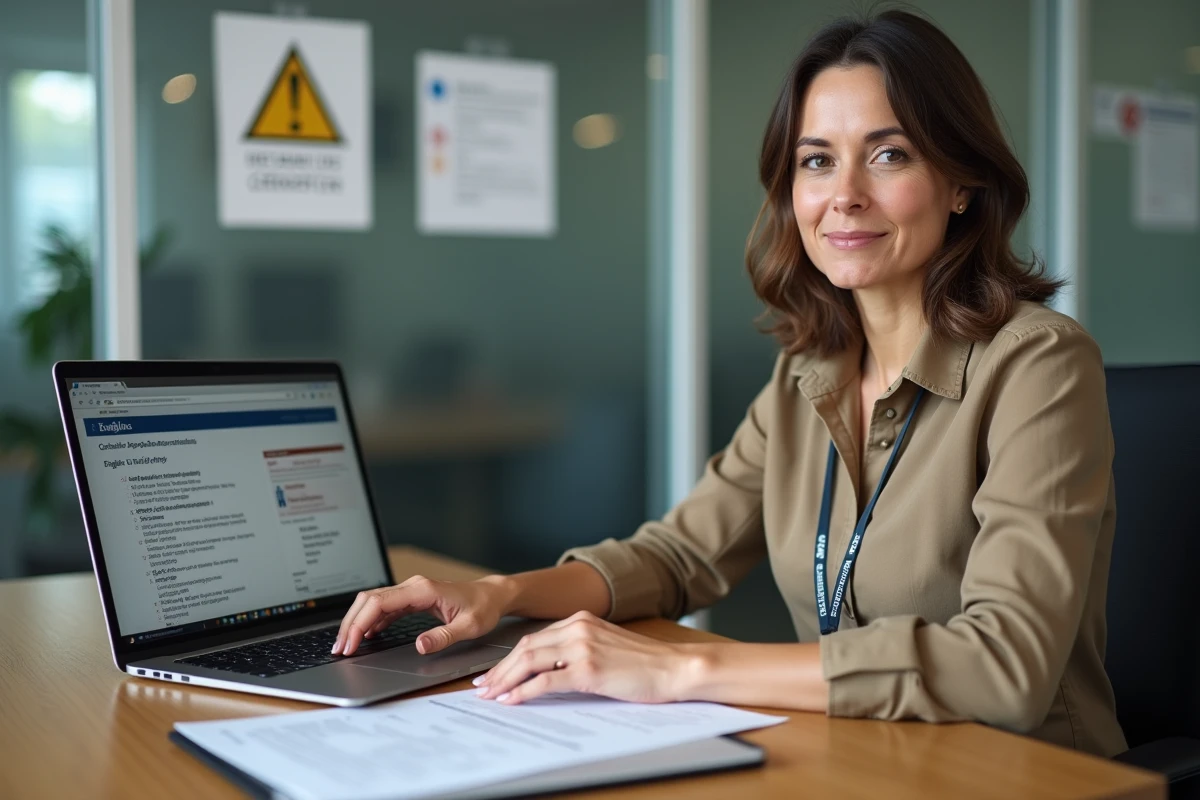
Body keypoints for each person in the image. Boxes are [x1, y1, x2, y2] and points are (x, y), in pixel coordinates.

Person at [335, 9, 1126, 757]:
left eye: (889, 154)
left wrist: (684, 673)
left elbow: (1007, 664)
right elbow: (680, 556)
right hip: (862, 756)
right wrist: (503, 594)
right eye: (817, 160)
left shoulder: (1039, 365)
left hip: (1027, 774)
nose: (844, 193)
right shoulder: (808, 373)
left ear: (961, 183)